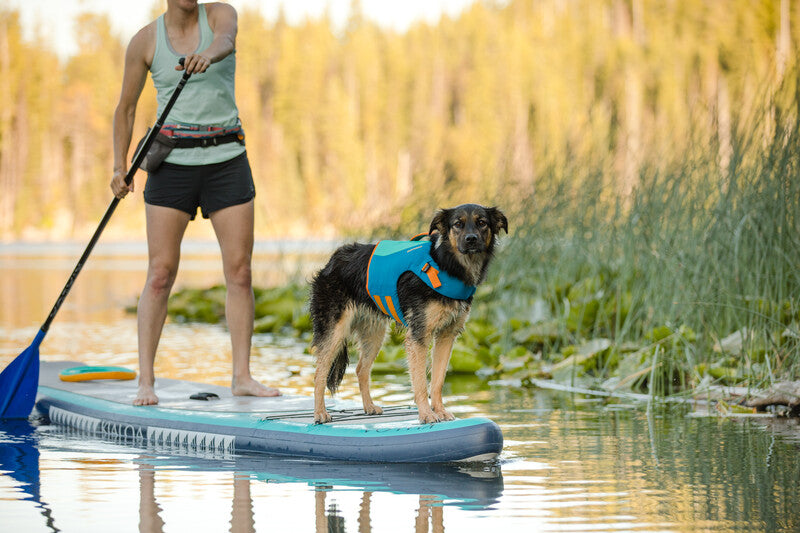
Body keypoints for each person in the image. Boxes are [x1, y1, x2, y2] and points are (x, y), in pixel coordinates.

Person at [110, 0, 280, 405]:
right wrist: (119, 167)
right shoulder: (145, 41)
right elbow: (126, 107)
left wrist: (207, 55)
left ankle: (241, 377)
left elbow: (226, 40)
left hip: (226, 159)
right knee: (160, 274)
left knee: (239, 272)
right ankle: (145, 383)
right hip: (172, 164)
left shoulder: (220, 14)